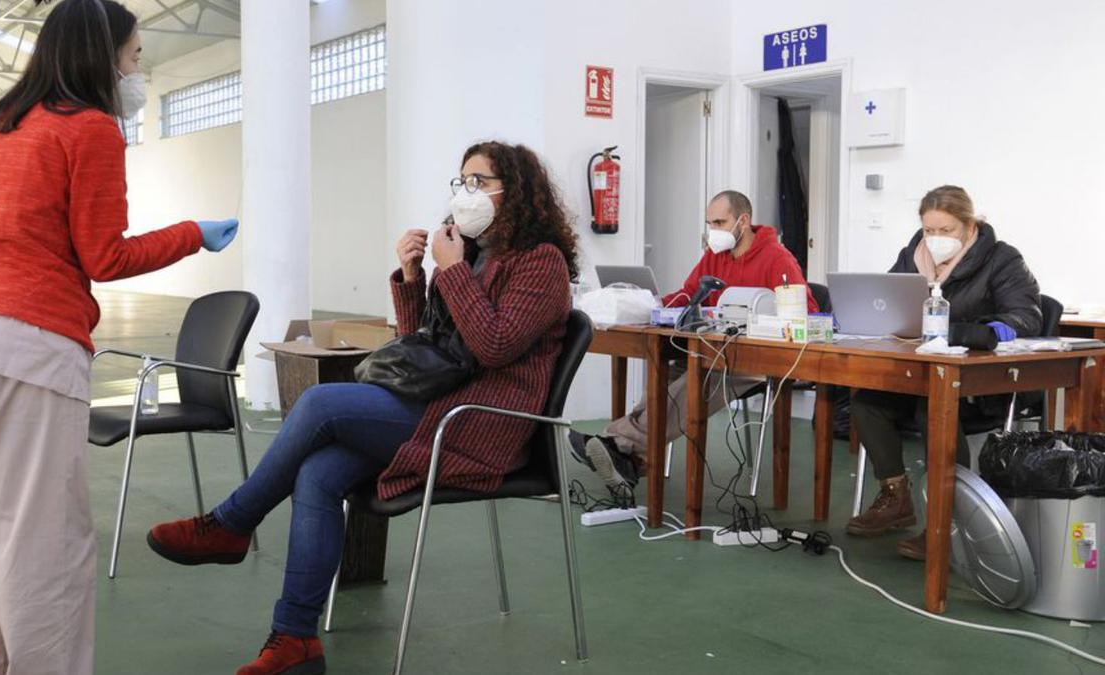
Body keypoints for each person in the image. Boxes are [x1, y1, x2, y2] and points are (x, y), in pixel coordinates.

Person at [145, 141, 578, 675]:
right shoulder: (475, 254)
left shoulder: (541, 262)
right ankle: (295, 640)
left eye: (479, 182)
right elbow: (429, 343)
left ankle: (231, 523)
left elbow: (493, 346)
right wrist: (415, 276)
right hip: (439, 404)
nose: (465, 193)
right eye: (461, 181)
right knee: (319, 473)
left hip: (482, 426)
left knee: (321, 402)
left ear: (517, 193)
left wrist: (455, 270)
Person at [0, 2, 240, 674]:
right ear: (103, 57)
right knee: (42, 541)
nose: (137, 71)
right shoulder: (93, 129)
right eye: (133, 57)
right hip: (32, 350)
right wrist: (194, 231)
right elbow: (106, 257)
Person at [569, 190, 817, 493]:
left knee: (695, 381)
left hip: (756, 362)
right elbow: (689, 293)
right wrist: (652, 305)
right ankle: (632, 459)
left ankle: (616, 442)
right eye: (709, 223)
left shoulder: (777, 258)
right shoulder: (715, 256)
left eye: (720, 222)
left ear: (744, 220)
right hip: (714, 351)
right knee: (664, 374)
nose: (714, 230)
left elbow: (808, 311)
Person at [846, 185, 1041, 560]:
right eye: (929, 230)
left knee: (933, 408)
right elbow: (886, 297)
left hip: (977, 385)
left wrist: (994, 330)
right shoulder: (913, 255)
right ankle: (896, 496)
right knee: (867, 402)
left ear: (970, 226)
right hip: (919, 374)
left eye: (945, 231)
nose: (935, 239)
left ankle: (948, 520)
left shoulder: (1001, 259)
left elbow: (1027, 315)